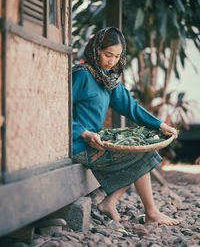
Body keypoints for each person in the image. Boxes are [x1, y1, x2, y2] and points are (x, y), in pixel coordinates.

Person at [72, 27, 179, 225]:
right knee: (142, 155)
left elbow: (131, 107)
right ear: (95, 51)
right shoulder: (82, 76)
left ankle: (111, 202)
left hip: (94, 142)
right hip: (79, 145)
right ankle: (150, 212)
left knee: (144, 150)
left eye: (117, 56)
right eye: (107, 55)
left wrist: (160, 125)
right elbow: (59, 112)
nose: (111, 61)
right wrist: (85, 134)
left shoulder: (107, 79)